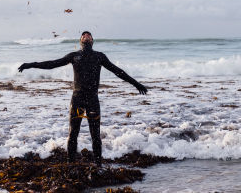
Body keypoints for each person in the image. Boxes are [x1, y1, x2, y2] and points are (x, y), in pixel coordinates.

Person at [18, 31, 147, 166]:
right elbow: (52, 64)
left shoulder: (99, 56)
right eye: (83, 35)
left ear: (92, 40)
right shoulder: (74, 56)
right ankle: (70, 164)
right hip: (77, 99)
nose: (86, 36)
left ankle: (98, 165)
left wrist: (136, 84)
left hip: (93, 100)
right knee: (73, 133)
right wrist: (31, 64)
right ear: (80, 41)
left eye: (89, 35)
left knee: (95, 136)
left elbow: (118, 71)